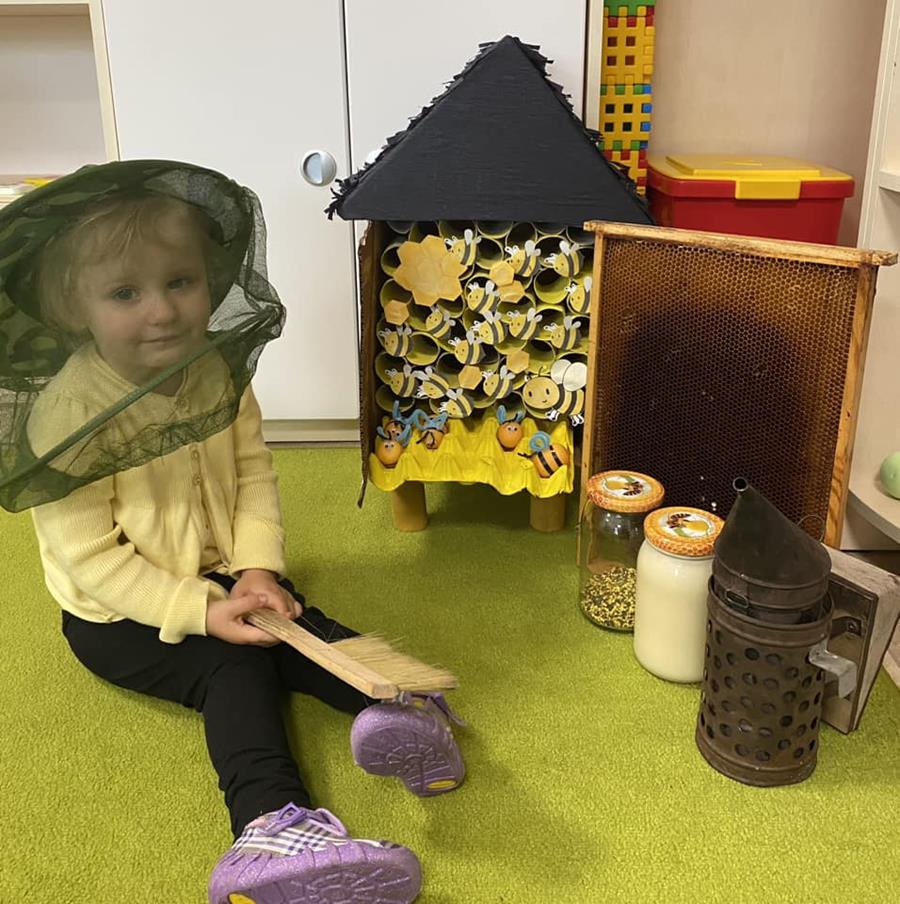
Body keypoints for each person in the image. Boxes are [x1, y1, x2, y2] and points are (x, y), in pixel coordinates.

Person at [2, 161, 464, 904]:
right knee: (234, 665)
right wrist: (199, 610)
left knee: (292, 620)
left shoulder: (217, 368)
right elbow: (89, 559)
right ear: (72, 308)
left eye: (180, 281)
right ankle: (266, 827)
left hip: (221, 571)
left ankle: (396, 705)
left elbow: (252, 474)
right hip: (117, 615)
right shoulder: (69, 416)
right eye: (125, 294)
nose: (163, 311)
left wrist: (256, 569)